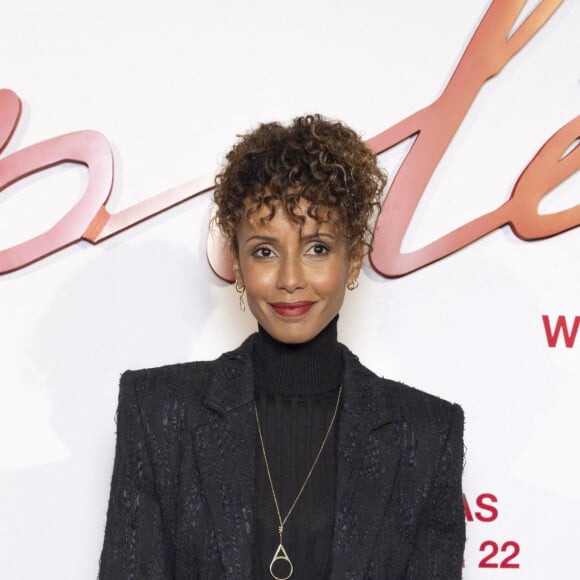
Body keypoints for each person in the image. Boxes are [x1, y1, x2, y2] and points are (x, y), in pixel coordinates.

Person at [98, 115, 466, 579]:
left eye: (317, 248)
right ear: (237, 261)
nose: (290, 280)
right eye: (265, 251)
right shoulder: (159, 413)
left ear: (352, 261)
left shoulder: (427, 434)